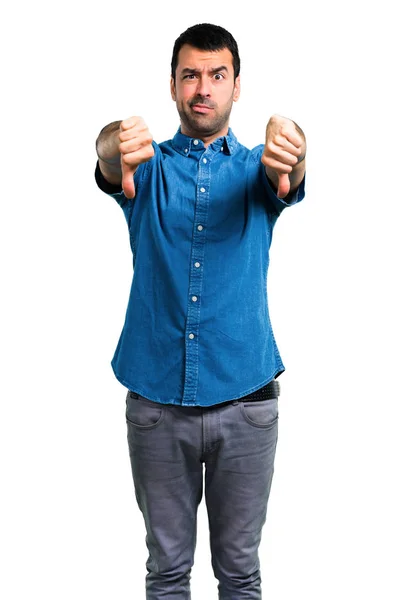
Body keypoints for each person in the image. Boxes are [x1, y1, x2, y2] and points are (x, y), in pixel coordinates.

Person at [94, 22, 306, 600]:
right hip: (158, 404)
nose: (203, 88)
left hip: (247, 403)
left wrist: (297, 148)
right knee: (166, 572)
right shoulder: (150, 169)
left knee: (239, 574)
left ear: (237, 86)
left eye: (217, 75)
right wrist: (113, 143)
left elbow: (288, 175)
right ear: (173, 86)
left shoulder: (259, 169)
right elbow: (113, 163)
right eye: (191, 75)